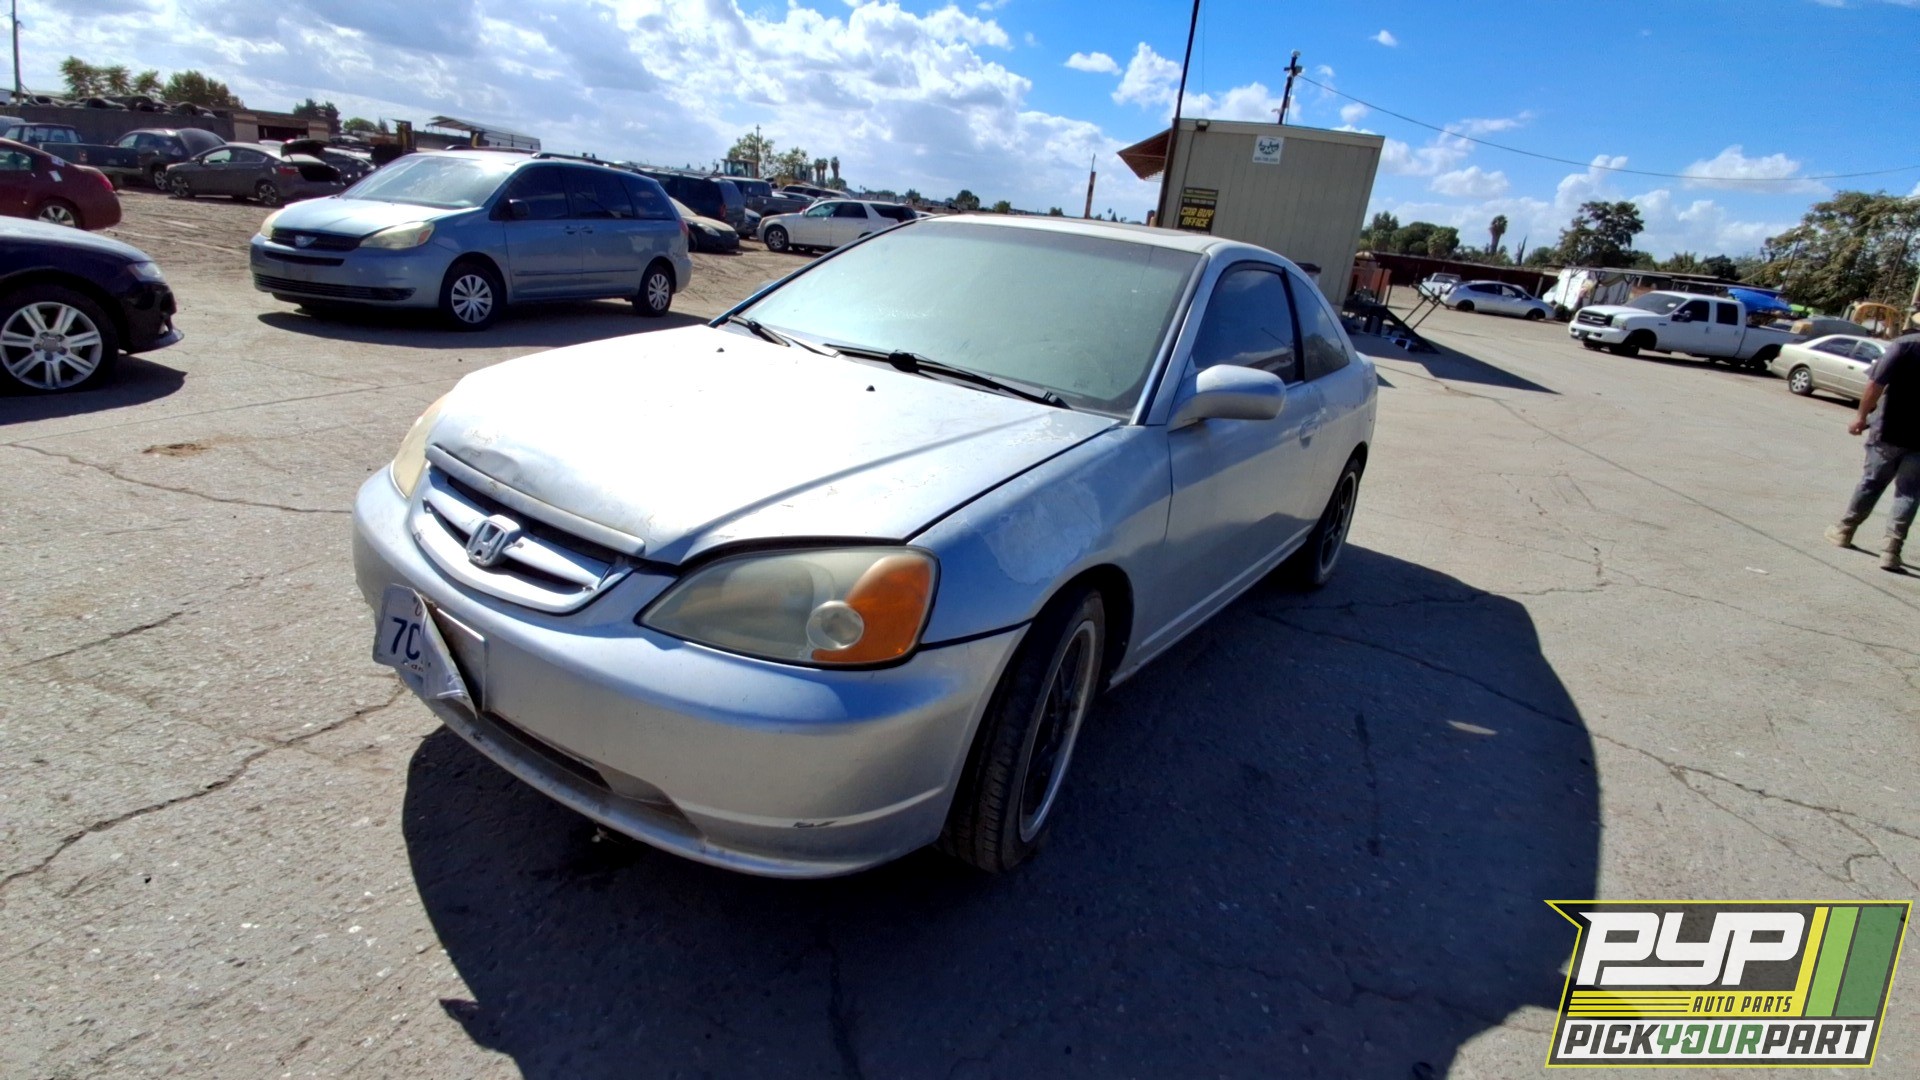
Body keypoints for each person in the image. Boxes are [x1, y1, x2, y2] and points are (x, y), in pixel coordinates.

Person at [1825, 331, 1920, 571]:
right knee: (1909, 493)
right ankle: (1891, 550)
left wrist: (1860, 417)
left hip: (1888, 430)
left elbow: (1876, 384)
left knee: (1871, 483)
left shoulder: (1905, 345)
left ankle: (1844, 530)